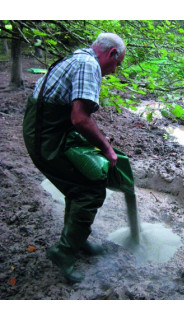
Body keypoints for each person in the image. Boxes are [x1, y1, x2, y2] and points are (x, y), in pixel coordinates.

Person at [23, 33, 126, 283]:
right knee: (89, 191)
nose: (113, 71)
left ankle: (77, 240)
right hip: (46, 138)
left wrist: (97, 143)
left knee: (79, 184)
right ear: (112, 54)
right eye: (117, 64)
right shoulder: (89, 65)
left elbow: (73, 116)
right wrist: (107, 149)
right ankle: (64, 252)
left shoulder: (77, 57)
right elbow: (80, 118)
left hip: (45, 130)